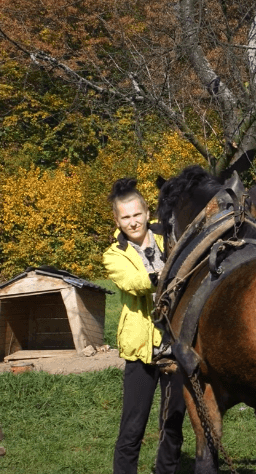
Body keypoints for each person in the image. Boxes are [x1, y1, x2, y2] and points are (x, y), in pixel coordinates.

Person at [104, 178, 186, 474]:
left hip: (176, 345)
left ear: (147, 211)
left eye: (137, 214)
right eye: (125, 217)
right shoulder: (114, 254)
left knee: (173, 425)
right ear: (117, 220)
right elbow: (134, 283)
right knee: (132, 428)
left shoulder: (170, 236)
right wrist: (169, 272)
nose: (133, 222)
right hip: (141, 349)